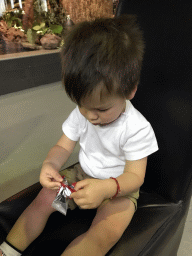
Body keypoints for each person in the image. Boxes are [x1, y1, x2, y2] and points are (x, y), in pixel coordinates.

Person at [0, 14, 158, 256]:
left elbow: (135, 177)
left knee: (104, 233)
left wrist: (106, 189)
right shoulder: (82, 113)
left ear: (130, 90)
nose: (90, 116)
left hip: (118, 190)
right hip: (78, 178)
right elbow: (63, 147)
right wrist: (49, 165)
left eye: (101, 109)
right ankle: (8, 250)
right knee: (44, 200)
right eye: (82, 105)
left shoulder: (137, 128)